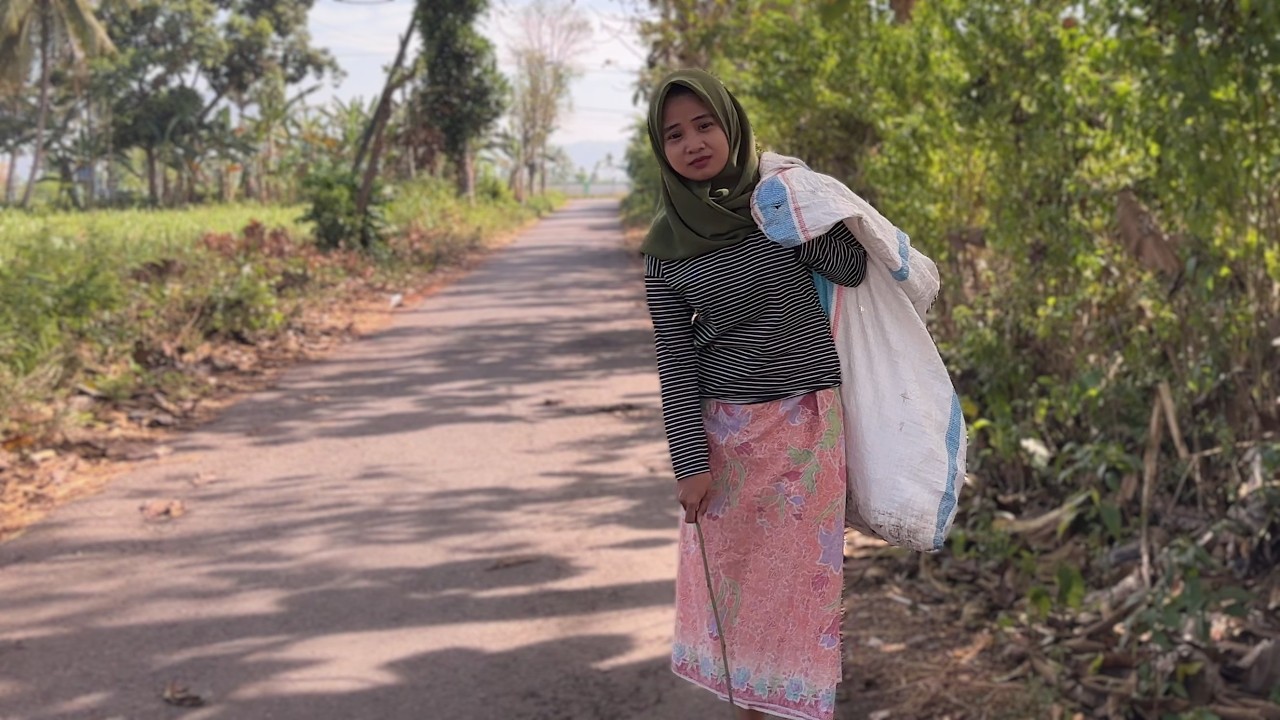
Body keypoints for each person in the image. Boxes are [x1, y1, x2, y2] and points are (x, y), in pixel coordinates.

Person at [641, 69, 869, 720]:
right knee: (742, 589)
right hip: (730, 442)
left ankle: (795, 705)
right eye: (674, 134)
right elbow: (675, 358)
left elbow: (850, 269)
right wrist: (690, 464)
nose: (693, 143)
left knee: (803, 589)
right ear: (662, 151)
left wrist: (795, 213)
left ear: (731, 125)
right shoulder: (666, 250)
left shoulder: (775, 206)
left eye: (705, 124)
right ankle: (754, 712)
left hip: (808, 430)